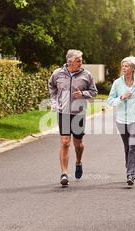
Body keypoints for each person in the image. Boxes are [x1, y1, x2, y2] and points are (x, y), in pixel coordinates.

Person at [48, 49, 97, 186]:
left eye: (81, 60)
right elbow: (51, 87)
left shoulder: (86, 75)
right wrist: (53, 101)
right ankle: (64, 173)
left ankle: (78, 162)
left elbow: (94, 92)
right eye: (78, 60)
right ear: (69, 62)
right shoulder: (58, 73)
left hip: (78, 114)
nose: (81, 62)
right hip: (63, 112)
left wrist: (83, 93)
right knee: (65, 142)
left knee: (78, 144)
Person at [107, 56, 135, 186]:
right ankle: (131, 168)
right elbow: (110, 101)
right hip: (121, 119)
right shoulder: (117, 83)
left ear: (133, 69)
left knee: (132, 145)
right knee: (127, 147)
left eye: (126, 66)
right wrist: (121, 97)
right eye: (123, 65)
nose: (123, 68)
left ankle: (130, 174)